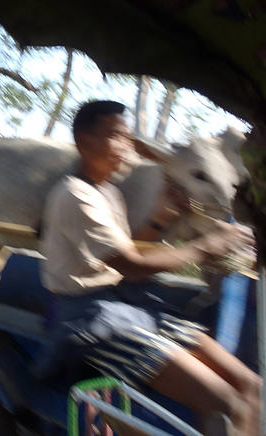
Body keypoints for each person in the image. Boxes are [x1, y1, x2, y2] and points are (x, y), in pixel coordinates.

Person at [39, 100, 262, 434]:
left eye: (128, 138)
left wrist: (164, 215)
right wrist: (205, 247)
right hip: (94, 317)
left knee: (254, 387)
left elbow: (128, 247)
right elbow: (131, 265)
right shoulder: (75, 195)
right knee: (228, 405)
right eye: (116, 136)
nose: (127, 147)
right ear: (84, 142)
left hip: (128, 305)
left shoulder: (107, 192)